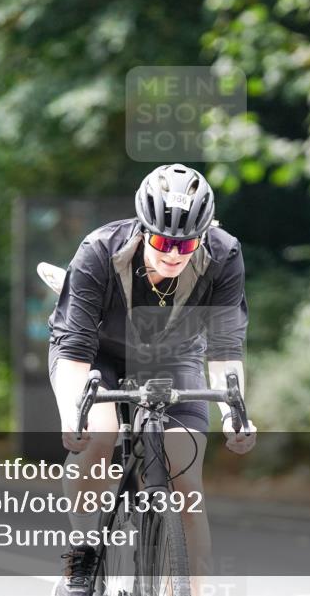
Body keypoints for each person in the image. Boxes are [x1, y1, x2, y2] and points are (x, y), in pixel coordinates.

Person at [48, 164, 257, 596]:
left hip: (172, 355)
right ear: (143, 229)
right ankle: (84, 550)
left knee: (187, 482)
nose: (174, 253)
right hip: (97, 351)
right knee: (99, 438)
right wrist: (74, 415)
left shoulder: (225, 254)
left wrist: (234, 413)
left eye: (186, 243)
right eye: (162, 242)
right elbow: (72, 356)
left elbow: (224, 350)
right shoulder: (98, 250)